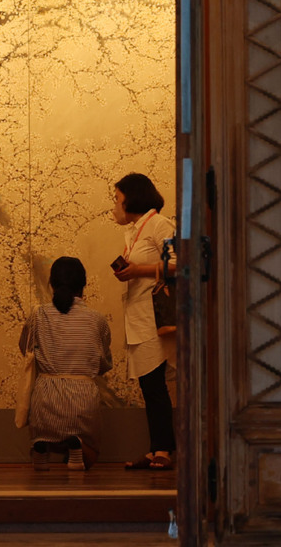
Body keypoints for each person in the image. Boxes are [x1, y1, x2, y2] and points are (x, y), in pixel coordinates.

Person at [20, 257, 112, 471]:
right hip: (82, 400)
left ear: (51, 284)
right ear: (83, 285)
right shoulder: (97, 319)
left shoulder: (38, 314)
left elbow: (25, 348)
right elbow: (104, 363)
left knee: (47, 432)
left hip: (45, 402)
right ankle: (77, 445)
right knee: (90, 452)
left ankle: (41, 448)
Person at [111, 173, 178, 471]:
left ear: (131, 199)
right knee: (149, 385)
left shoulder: (159, 224)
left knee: (155, 385)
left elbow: (180, 263)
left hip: (155, 317)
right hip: (138, 316)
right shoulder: (135, 230)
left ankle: (164, 450)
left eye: (116, 199)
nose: (114, 206)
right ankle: (156, 448)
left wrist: (138, 269)